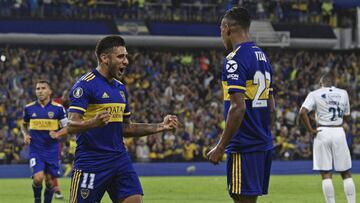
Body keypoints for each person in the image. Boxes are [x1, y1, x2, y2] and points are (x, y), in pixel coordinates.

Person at [51, 35, 178, 203]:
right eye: (120, 56)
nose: (126, 61)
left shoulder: (120, 89)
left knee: (134, 200)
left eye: (126, 56)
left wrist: (160, 126)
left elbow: (126, 128)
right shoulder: (84, 85)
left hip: (119, 159)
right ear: (105, 58)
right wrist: (93, 122)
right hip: (91, 161)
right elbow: (72, 125)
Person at [207, 7, 275, 203]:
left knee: (241, 198)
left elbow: (238, 107)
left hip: (244, 144)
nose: (221, 36)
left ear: (227, 28)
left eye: (220, 30)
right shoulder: (262, 57)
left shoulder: (234, 60)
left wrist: (221, 147)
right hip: (262, 143)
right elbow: (271, 105)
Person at [299, 74, 356, 203]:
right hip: (339, 131)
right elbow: (347, 116)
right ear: (332, 83)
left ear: (321, 84)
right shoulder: (343, 93)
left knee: (326, 174)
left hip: (322, 132)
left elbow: (302, 112)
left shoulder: (315, 93)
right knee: (346, 173)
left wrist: (310, 130)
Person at [21, 80, 68, 203]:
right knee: (38, 178)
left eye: (43, 88)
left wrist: (57, 133)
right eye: (38, 89)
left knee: (50, 181)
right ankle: (37, 200)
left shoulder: (58, 109)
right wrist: (25, 134)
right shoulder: (29, 108)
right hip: (36, 149)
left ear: (50, 91)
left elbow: (68, 127)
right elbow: (24, 125)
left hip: (52, 150)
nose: (40, 91)